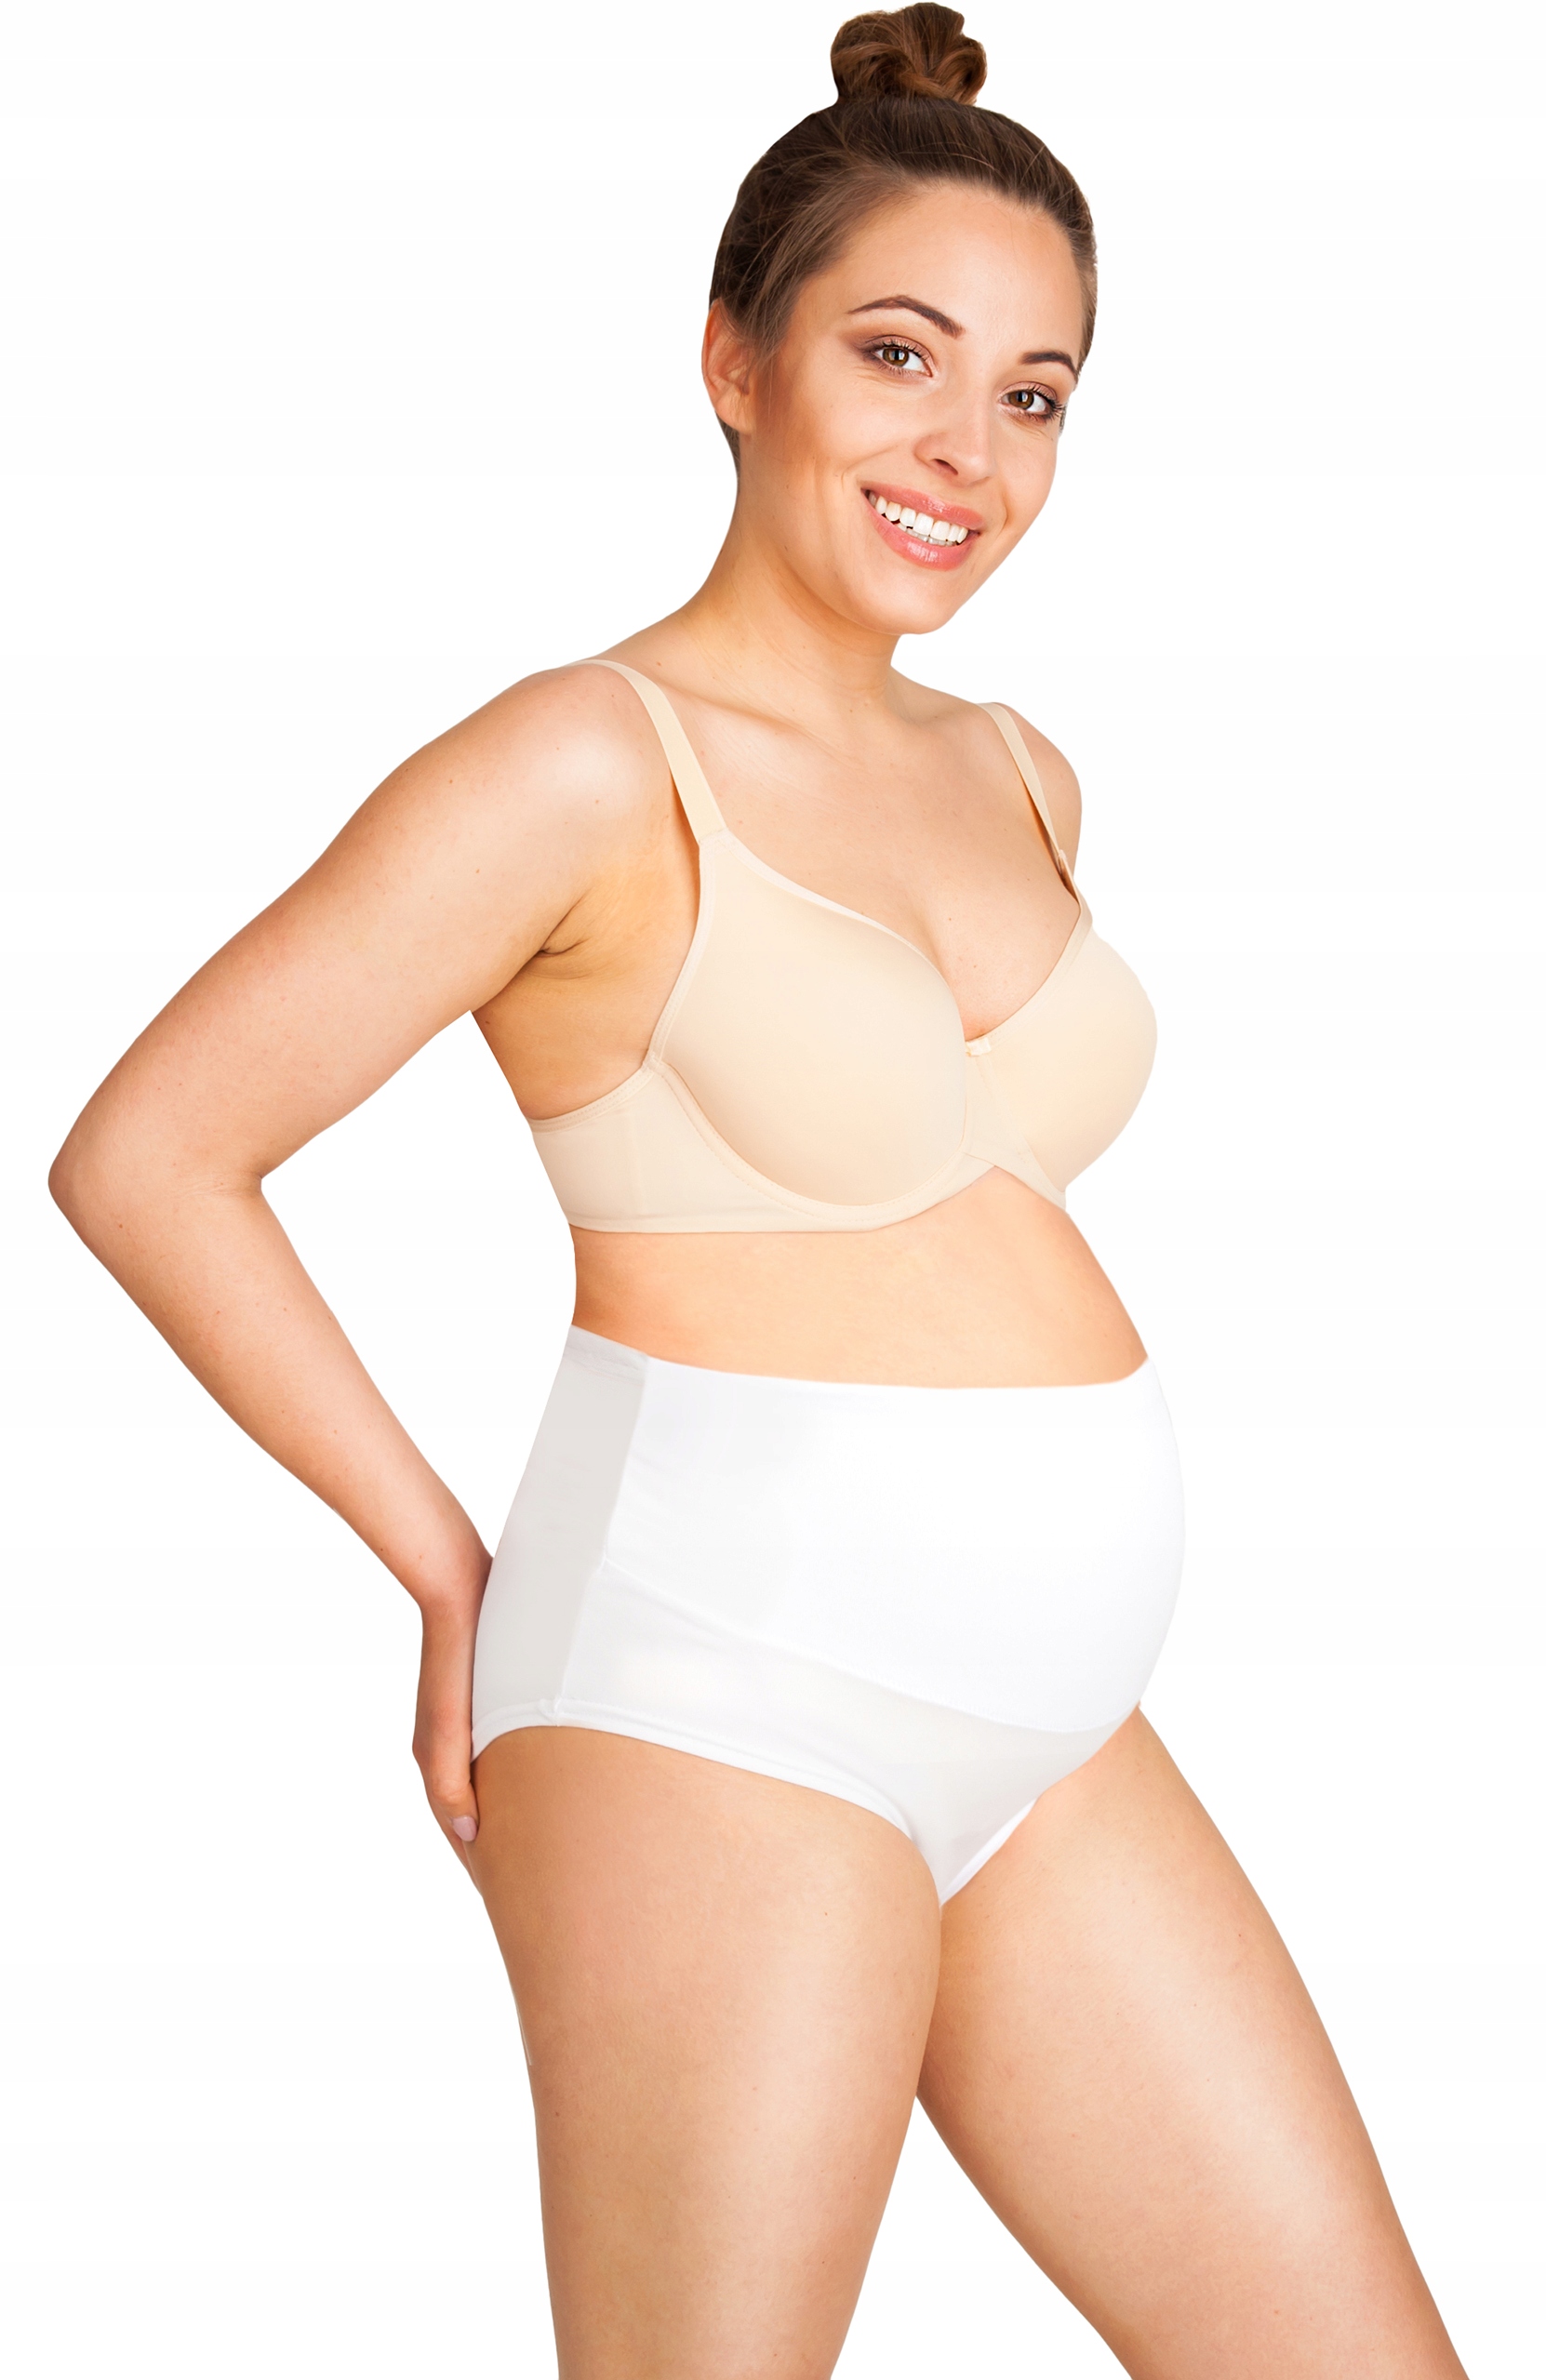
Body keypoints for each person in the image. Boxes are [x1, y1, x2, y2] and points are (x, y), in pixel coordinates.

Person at [49, 8, 1468, 2373]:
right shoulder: (579, 761)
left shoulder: (1019, 767)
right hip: (718, 1690)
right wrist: (447, 1568)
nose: (967, 451)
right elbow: (150, 1155)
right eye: (898, 355)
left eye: (1033, 393)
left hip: (1051, 1722)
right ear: (734, 357)